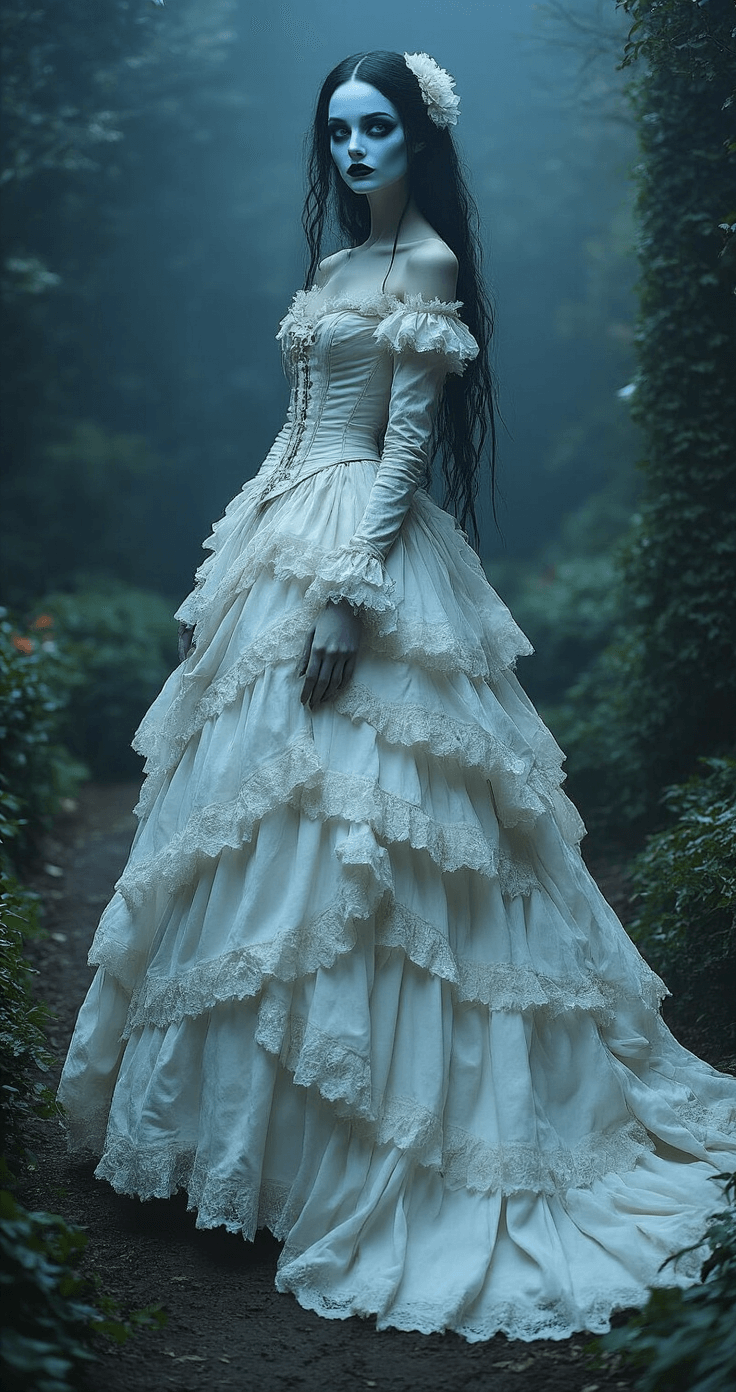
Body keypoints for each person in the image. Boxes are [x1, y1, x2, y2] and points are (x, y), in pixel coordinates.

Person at [59, 49, 736, 1342]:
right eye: (339, 130)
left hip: (363, 553)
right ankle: (235, 1153)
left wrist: (346, 595)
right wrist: (235, 561)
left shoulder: (424, 264)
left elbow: (405, 447)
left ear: (419, 138)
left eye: (377, 127)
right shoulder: (331, 269)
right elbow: (296, 426)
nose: (355, 148)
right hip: (284, 536)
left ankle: (366, 1141)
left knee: (375, 830)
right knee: (249, 829)